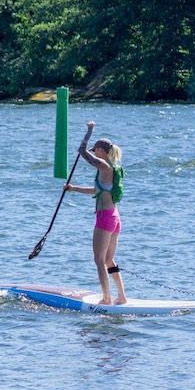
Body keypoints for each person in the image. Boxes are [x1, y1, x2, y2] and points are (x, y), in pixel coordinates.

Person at [64, 120, 127, 305]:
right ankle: (121, 297)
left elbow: (82, 152)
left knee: (99, 260)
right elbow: (98, 191)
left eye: (96, 150)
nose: (94, 153)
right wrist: (73, 188)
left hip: (104, 218)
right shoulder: (114, 168)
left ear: (101, 151)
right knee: (109, 260)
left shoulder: (104, 166)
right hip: (114, 216)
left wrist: (89, 131)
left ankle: (107, 298)